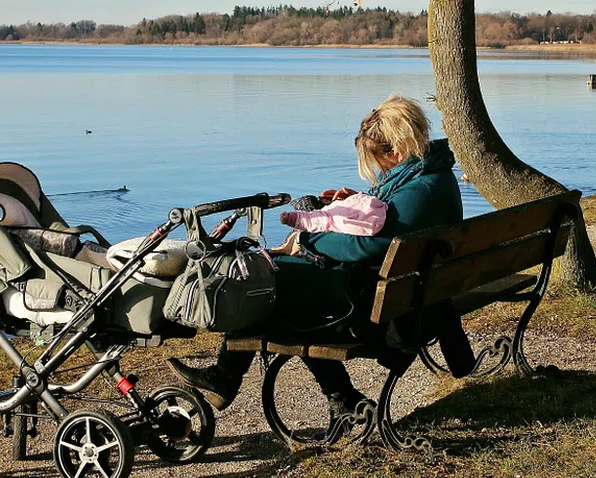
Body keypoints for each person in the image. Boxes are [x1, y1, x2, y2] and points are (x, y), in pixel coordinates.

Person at [169, 94, 473, 413]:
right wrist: (354, 203)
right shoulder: (432, 177)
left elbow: (367, 245)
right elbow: (391, 224)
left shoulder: (419, 191)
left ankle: (236, 378)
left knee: (262, 279)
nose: (377, 171)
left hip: (374, 306)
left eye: (377, 161)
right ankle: (333, 397)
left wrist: (309, 238)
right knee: (279, 288)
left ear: (396, 151)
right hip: (406, 290)